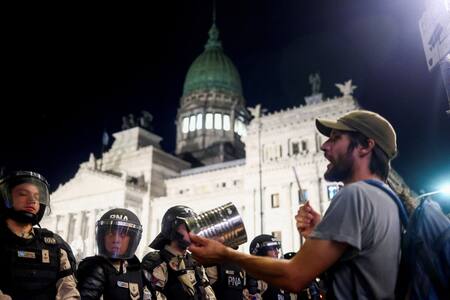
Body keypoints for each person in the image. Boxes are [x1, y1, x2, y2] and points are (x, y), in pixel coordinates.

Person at [188, 110, 401, 299]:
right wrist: (319, 234)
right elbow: (360, 275)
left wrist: (226, 254)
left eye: (336, 138)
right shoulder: (388, 200)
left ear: (365, 146)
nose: (324, 145)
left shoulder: (355, 195)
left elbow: (295, 277)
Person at [0, 170, 80, 300]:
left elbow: (68, 290)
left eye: (37, 197)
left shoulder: (55, 244)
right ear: (5, 198)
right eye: (22, 194)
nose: (32, 200)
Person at [142, 205, 216, 300]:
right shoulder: (156, 262)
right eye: (186, 227)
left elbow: (209, 293)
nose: (192, 232)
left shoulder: (195, 262)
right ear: (172, 228)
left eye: (193, 226)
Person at [76, 208, 151, 299]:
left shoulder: (137, 269)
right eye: (110, 234)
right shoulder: (93, 267)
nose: (116, 240)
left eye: (122, 235)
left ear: (132, 239)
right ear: (102, 237)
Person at [244, 234, 284, 300]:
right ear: (260, 252)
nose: (277, 252)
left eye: (277, 248)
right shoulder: (249, 276)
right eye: (272, 248)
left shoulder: (279, 277)